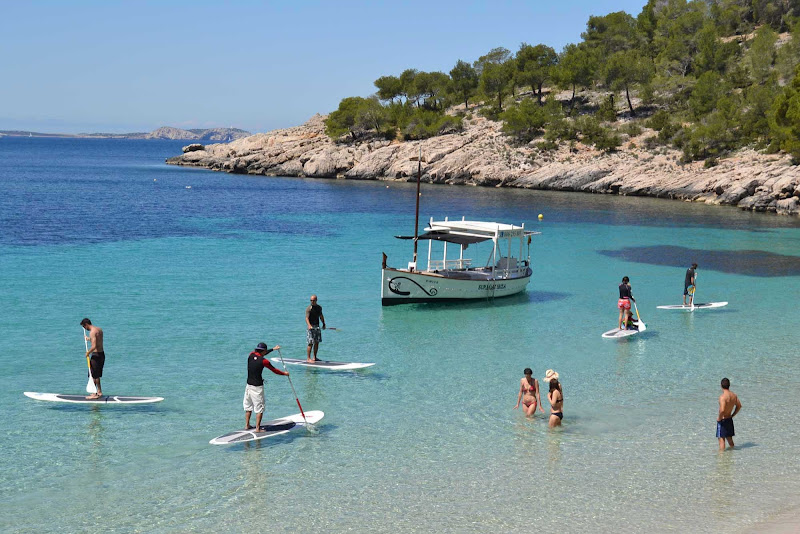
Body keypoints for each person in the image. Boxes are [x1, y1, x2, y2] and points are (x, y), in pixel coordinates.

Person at [244, 342, 288, 431]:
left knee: (248, 406)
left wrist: (273, 349)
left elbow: (263, 353)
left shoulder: (251, 355)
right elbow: (274, 370)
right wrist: (284, 373)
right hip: (257, 388)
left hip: (248, 385)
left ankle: (247, 425)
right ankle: (257, 428)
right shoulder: (264, 361)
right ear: (263, 351)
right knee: (259, 408)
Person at [80, 318, 105, 399]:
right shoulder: (99, 330)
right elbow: (97, 341)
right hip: (101, 354)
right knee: (97, 375)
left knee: (93, 375)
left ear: (86, 324)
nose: (85, 329)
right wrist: (89, 339)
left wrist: (88, 353)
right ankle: (99, 392)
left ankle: (95, 394)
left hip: (96, 355)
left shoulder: (92, 332)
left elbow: (94, 346)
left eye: (84, 327)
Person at [717, 377, 742, 451]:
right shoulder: (734, 395)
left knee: (721, 440)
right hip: (729, 419)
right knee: (730, 439)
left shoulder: (722, 397)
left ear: (721, 386)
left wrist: (719, 418)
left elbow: (722, 410)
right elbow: (739, 406)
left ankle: (722, 458)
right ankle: (732, 454)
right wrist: (733, 415)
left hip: (723, 419)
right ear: (729, 385)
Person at [305, 294, 326, 362]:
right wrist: (309, 325)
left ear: (316, 300)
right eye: (311, 300)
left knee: (317, 342)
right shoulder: (309, 308)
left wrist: (323, 323)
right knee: (310, 343)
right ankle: (308, 358)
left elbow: (321, 316)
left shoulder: (319, 308)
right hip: (311, 327)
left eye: (313, 300)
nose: (312, 302)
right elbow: (306, 318)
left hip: (317, 326)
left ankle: (315, 357)